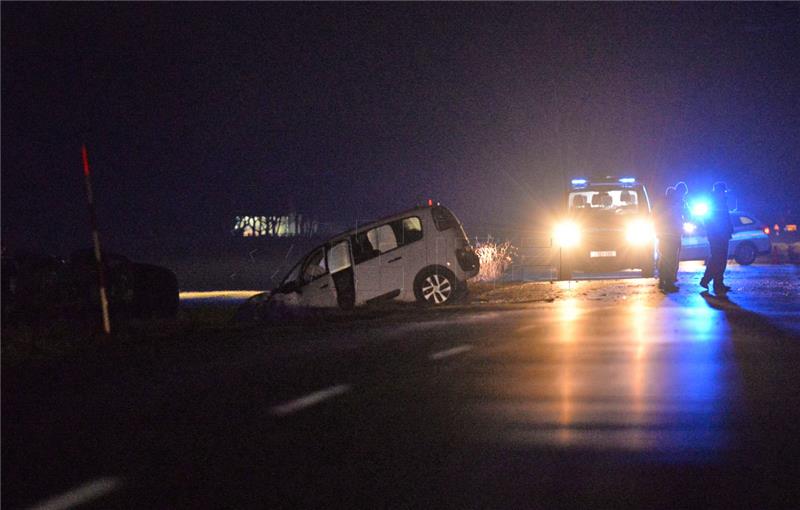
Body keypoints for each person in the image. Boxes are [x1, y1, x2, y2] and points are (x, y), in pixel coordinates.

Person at [700, 182, 733, 294]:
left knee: (719, 259)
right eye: (723, 191)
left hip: (720, 235)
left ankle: (717, 283)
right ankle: (708, 281)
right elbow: (711, 220)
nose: (724, 193)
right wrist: (721, 232)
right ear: (720, 191)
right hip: (717, 236)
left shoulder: (718, 201)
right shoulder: (715, 202)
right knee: (717, 259)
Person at [656, 186, 683, 292]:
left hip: (663, 236)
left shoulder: (660, 204)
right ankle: (668, 283)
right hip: (672, 236)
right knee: (671, 260)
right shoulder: (673, 205)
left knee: (663, 259)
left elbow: (655, 219)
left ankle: (662, 281)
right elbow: (676, 220)